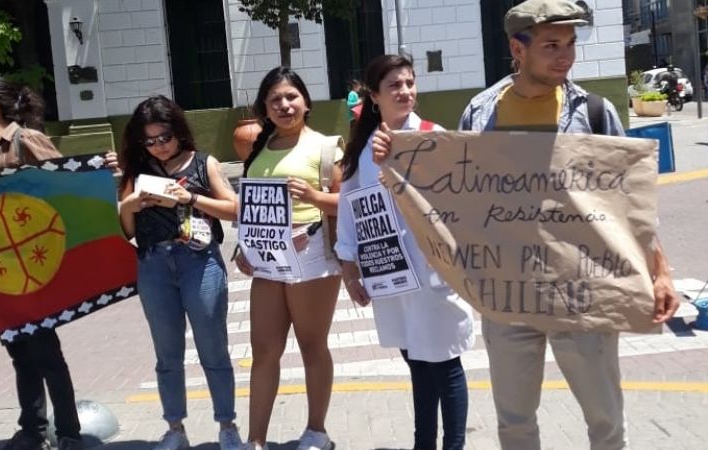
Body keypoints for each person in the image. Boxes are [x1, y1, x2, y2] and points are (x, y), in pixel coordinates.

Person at [413, 1, 678, 448]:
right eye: (552, 45)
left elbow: (630, 204)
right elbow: (460, 198)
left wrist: (661, 271)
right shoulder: (481, 115)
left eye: (571, 44)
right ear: (518, 48)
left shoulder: (593, 112)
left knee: (606, 423)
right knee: (514, 423)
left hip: (583, 292)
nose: (566, 56)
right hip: (509, 295)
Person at [338, 54, 475, 450]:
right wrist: (350, 271)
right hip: (390, 273)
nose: (405, 91)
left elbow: (461, 198)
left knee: (445, 362)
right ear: (375, 97)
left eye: (410, 83)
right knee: (416, 360)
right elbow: (350, 209)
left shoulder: (434, 135)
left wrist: (399, 160)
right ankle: (423, 443)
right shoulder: (361, 150)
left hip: (434, 271)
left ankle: (454, 445)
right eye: (395, 85)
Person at [0, 75, 116, 450]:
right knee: (20, 353)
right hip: (2, 273)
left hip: (35, 269)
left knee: (45, 353)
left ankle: (69, 433)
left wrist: (97, 170)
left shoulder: (25, 140)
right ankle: (32, 429)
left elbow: (65, 184)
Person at [117, 95, 243, 450]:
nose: (158, 147)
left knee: (213, 349)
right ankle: (175, 428)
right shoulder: (137, 171)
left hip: (198, 261)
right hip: (154, 263)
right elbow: (127, 230)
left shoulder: (204, 164)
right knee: (167, 353)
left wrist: (189, 198)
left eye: (165, 138)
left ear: (178, 131)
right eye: (150, 141)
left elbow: (233, 211)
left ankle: (227, 426)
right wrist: (129, 205)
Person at [235, 67, 343, 450]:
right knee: (264, 350)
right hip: (267, 261)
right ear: (264, 109)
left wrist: (314, 198)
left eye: (291, 96)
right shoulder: (258, 150)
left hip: (312, 256)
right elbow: (249, 207)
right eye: (275, 99)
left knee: (312, 344)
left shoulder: (326, 147)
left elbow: (347, 202)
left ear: (306, 102)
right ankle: (256, 439)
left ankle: (317, 432)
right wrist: (242, 248)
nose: (284, 105)